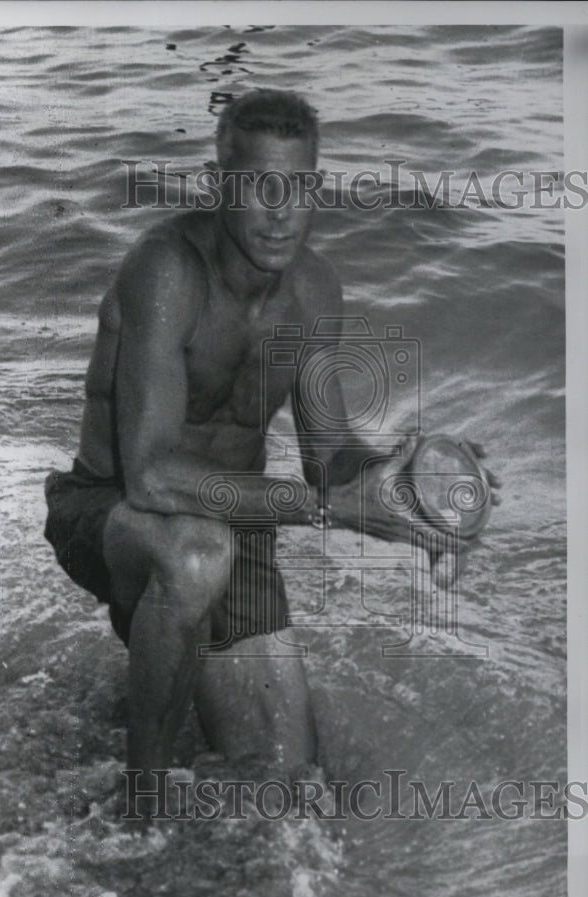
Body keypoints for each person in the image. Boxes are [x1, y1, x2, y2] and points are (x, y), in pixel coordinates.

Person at [44, 90, 499, 810]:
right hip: (111, 513)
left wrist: (406, 481)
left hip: (235, 526)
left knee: (286, 783)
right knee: (196, 557)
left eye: (301, 186)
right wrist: (330, 511)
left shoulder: (315, 290)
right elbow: (153, 476)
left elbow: (329, 456)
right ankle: (143, 799)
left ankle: (167, 695)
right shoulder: (167, 271)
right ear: (220, 179)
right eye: (261, 184)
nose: (283, 209)